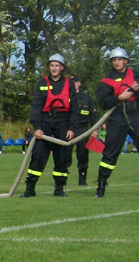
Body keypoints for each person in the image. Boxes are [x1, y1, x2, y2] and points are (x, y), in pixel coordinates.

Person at [94, 47, 139, 198]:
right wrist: (119, 98)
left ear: (126, 61)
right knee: (110, 153)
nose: (117, 63)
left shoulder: (136, 75)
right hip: (117, 116)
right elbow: (103, 102)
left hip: (135, 115)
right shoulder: (107, 80)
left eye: (120, 60)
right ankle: (100, 188)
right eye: (114, 60)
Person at [21, 54, 76, 198]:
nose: (54, 68)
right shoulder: (42, 83)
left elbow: (74, 108)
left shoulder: (69, 84)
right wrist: (37, 127)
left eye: (57, 65)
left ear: (62, 68)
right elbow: (36, 106)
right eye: (52, 65)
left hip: (63, 122)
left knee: (62, 157)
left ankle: (59, 188)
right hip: (45, 122)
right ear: (49, 67)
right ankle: (30, 188)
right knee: (38, 155)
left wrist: (72, 128)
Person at [69, 77, 98, 186]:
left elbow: (93, 115)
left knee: (82, 155)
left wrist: (95, 129)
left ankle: (82, 179)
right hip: (69, 129)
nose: (73, 84)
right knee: (64, 154)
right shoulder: (66, 96)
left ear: (79, 83)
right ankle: (61, 179)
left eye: (74, 82)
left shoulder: (87, 98)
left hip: (83, 129)